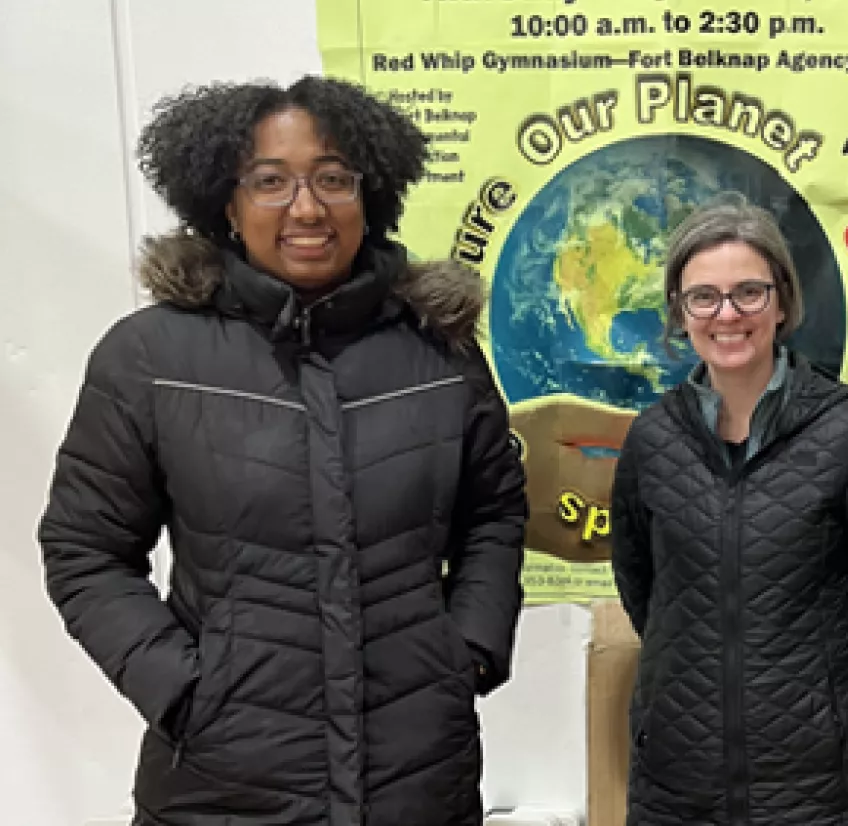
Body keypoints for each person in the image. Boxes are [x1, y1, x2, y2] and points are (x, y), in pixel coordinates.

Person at [37, 76, 527, 825]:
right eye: (270, 181)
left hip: (417, 777)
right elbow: (84, 548)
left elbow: (493, 513)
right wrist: (181, 689)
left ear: (373, 195)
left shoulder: (440, 355)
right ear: (227, 205)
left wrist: (467, 653)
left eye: (333, 178)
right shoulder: (150, 358)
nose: (306, 207)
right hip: (221, 785)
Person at [610, 195, 848, 826]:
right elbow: (642, 582)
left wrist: (825, 686)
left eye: (748, 292)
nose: (727, 314)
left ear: (781, 302)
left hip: (813, 782)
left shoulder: (845, 431)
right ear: (680, 313)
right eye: (704, 297)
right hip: (678, 777)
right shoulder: (653, 439)